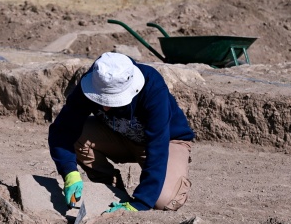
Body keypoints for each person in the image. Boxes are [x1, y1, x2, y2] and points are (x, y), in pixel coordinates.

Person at [48, 52, 195, 214]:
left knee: (163, 200)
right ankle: (110, 189)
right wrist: (69, 172)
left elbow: (158, 146)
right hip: (121, 136)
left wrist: (141, 201)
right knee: (78, 137)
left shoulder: (153, 87)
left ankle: (167, 186)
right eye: (100, 99)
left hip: (168, 142)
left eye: (111, 100)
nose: (104, 108)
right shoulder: (95, 80)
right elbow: (62, 130)